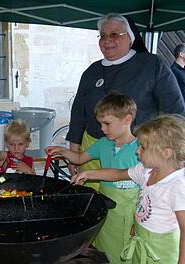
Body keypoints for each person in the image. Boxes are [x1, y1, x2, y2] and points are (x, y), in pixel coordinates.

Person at [66, 13, 185, 190]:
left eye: (115, 34)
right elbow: (78, 114)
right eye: (103, 36)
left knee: (128, 202)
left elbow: (174, 110)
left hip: (137, 150)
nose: (107, 40)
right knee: (92, 200)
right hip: (92, 150)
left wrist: (168, 151)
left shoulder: (152, 64)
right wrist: (74, 152)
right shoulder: (92, 71)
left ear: (130, 37)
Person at [72, 114, 185, 264]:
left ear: (166, 153)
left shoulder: (177, 186)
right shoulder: (145, 171)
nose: (137, 151)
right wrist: (89, 173)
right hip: (141, 240)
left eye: (143, 147)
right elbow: (119, 174)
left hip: (161, 252)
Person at [46, 92, 139, 263]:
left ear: (127, 119)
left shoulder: (140, 148)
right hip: (107, 208)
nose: (102, 129)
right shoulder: (103, 143)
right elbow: (80, 158)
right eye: (100, 123)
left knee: (125, 251)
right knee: (105, 250)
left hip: (129, 213)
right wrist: (64, 152)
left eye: (107, 123)